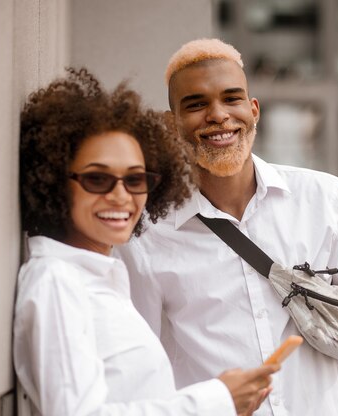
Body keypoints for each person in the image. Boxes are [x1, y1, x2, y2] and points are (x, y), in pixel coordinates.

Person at [113, 39, 338, 415]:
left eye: (231, 98)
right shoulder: (147, 234)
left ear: (253, 109)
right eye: (196, 104)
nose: (218, 115)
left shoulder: (326, 200)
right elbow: (144, 362)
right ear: (172, 124)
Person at [14, 68, 279, 416]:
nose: (121, 196)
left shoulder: (98, 279)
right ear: (53, 181)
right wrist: (216, 401)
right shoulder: (57, 282)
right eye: (97, 179)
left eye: (135, 179)